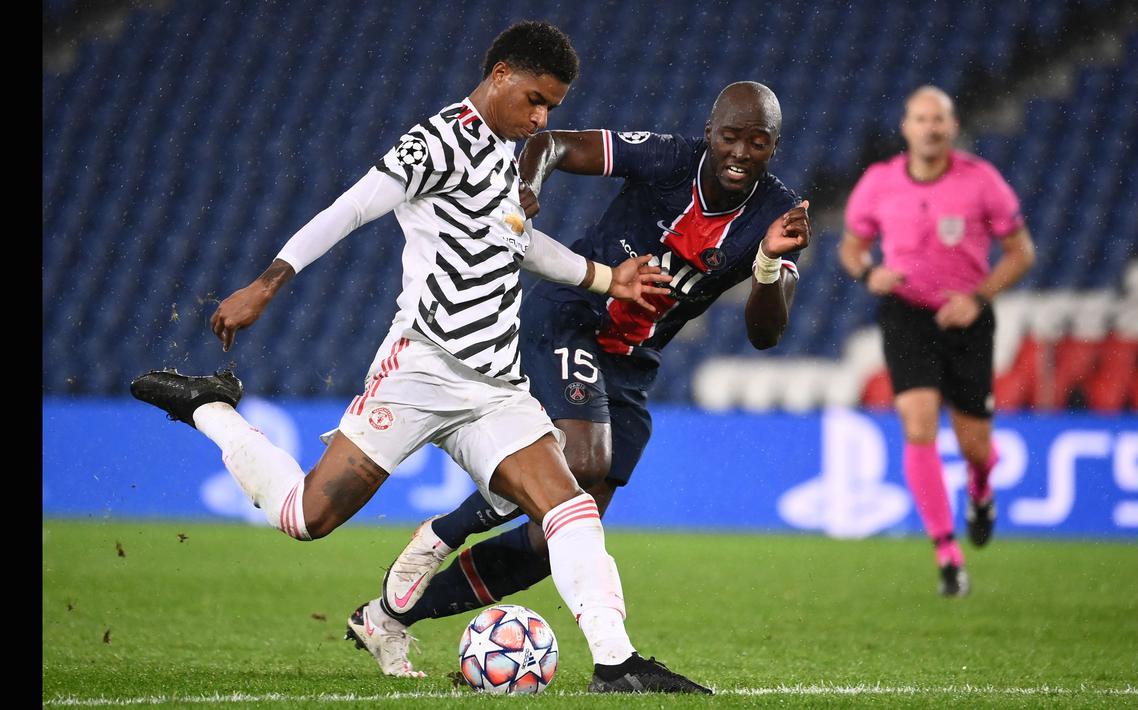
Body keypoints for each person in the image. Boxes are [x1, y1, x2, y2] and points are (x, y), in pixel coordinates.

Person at [130, 21, 710, 694]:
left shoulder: (506, 154)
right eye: (535, 100)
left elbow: (521, 242)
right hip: (420, 370)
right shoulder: (435, 142)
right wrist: (266, 283)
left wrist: (609, 279)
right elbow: (350, 209)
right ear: (500, 76)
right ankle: (211, 409)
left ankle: (616, 663)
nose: (542, 118)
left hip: (495, 387)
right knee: (304, 518)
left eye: (552, 107)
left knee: (570, 509)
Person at [354, 81, 811, 657]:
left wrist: (768, 262)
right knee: (583, 459)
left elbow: (765, 334)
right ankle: (446, 531)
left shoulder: (779, 216)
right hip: (571, 316)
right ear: (708, 135)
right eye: (729, 137)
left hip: (631, 363)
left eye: (758, 142)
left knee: (560, 540)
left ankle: (389, 615)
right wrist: (525, 183)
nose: (741, 153)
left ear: (775, 146)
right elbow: (556, 145)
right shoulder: (670, 159)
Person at [837, 86, 1036, 597]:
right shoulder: (879, 182)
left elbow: (1020, 252)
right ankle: (947, 553)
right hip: (907, 314)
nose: (930, 128)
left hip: (966, 318)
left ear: (952, 127)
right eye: (921, 119)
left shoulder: (981, 180)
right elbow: (852, 247)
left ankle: (981, 489)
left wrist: (978, 296)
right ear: (906, 127)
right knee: (918, 421)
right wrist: (867, 273)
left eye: (939, 120)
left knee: (976, 446)